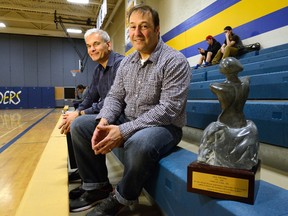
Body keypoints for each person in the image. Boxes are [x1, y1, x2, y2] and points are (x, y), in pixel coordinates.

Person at [69, 4, 191, 215]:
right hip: (129, 118)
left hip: (164, 126)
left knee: (139, 141)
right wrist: (104, 121)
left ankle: (121, 198)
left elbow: (168, 109)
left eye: (143, 26)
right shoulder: (128, 63)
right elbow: (115, 96)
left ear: (157, 29)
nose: (137, 33)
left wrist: (124, 130)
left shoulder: (174, 61)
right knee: (80, 125)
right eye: (132, 27)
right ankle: (96, 187)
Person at [58, 28, 124, 181]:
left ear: (108, 45)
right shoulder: (98, 70)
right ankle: (83, 170)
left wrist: (81, 114)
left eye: (96, 44)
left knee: (79, 124)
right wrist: (77, 111)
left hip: (119, 114)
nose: (92, 49)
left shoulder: (121, 65)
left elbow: (113, 102)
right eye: (88, 46)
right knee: (69, 118)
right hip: (106, 112)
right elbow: (89, 98)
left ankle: (97, 184)